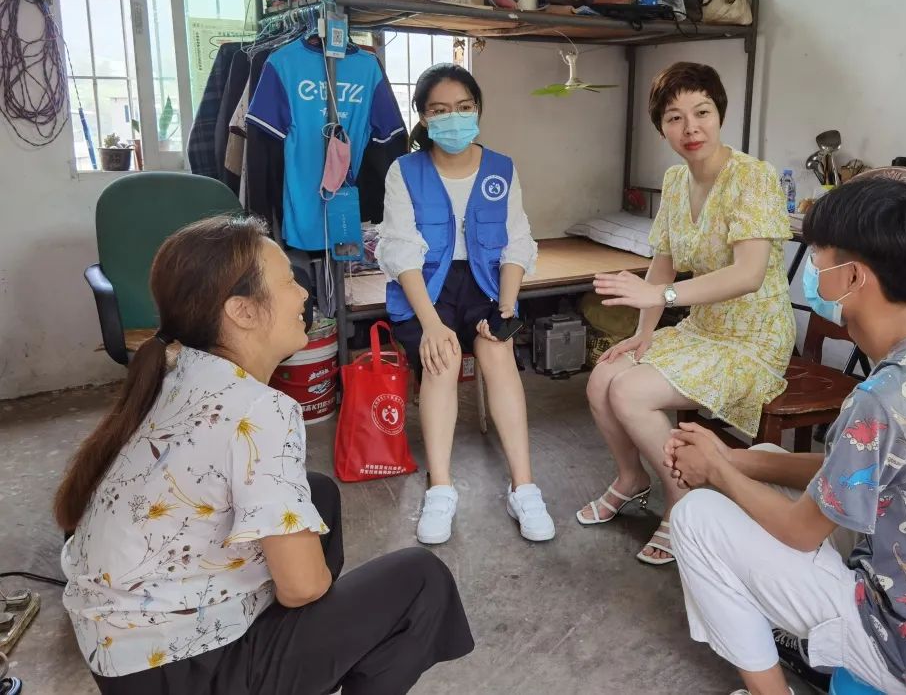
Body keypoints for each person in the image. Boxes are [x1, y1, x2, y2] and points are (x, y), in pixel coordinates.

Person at [55, 216, 473, 695]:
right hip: (181, 669)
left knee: (317, 495)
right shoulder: (258, 410)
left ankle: (298, 660)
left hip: (123, 652)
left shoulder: (178, 369)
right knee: (421, 580)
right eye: (289, 282)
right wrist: (311, 583)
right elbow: (303, 587)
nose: (302, 295)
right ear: (243, 312)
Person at [665, 179, 906, 695]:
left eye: (816, 258)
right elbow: (854, 471)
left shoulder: (885, 399)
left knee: (696, 518)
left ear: (852, 276)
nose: (810, 272)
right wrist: (735, 459)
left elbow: (802, 531)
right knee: (765, 455)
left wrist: (714, 469)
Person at [577, 61, 795, 565]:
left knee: (630, 392)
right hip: (702, 327)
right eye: (675, 117)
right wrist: (642, 333)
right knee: (604, 375)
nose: (690, 128)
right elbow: (664, 262)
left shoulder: (753, 178)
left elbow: (748, 275)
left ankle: (682, 501)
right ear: (662, 127)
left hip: (753, 337)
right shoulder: (675, 181)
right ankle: (632, 478)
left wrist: (663, 297)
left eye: (702, 112)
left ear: (720, 115)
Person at [376, 63, 555, 546]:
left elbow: (517, 240)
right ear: (423, 116)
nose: (452, 118)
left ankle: (524, 487)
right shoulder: (404, 171)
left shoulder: (502, 167)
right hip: (425, 291)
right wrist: (432, 325)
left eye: (463, 107)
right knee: (442, 358)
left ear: (477, 110)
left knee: (497, 351)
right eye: (439, 110)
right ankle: (440, 489)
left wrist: (507, 307)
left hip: (485, 285)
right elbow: (400, 250)